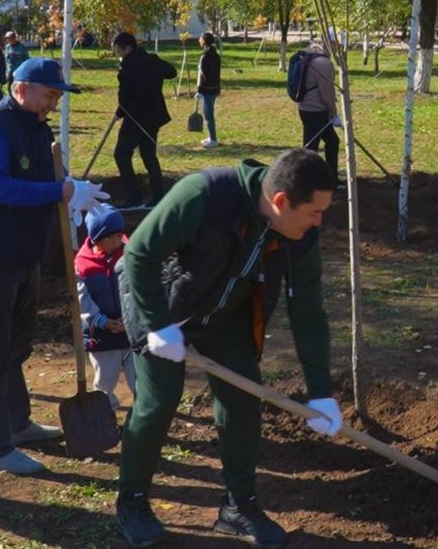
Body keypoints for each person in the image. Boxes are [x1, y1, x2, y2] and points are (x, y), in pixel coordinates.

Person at [113, 147, 341, 547]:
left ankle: (239, 506)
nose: (319, 221)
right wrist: (158, 325)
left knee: (242, 398)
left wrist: (321, 393)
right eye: (314, 212)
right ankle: (131, 499)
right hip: (159, 299)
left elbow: (307, 311)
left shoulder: (301, 236)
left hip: (226, 312)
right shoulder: (205, 195)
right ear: (281, 202)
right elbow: (139, 255)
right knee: (160, 397)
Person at [0, 57, 108, 475]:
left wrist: (75, 198)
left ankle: (17, 423)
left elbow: (49, 185)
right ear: (23, 88)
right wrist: (60, 190)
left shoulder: (37, 127)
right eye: (49, 95)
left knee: (17, 346)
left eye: (57, 96)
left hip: (27, 253)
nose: (53, 103)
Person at [74, 203, 135, 411]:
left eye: (119, 236)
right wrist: (99, 320)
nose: (116, 242)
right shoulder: (83, 264)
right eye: (110, 238)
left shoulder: (130, 256)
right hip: (101, 334)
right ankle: (104, 411)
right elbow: (81, 297)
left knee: (140, 379)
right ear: (95, 238)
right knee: (104, 380)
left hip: (131, 332)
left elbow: (139, 289)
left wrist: (130, 319)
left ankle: (145, 416)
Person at [112, 32, 176, 207]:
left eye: (119, 51)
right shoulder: (152, 60)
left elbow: (124, 99)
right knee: (149, 155)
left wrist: (119, 113)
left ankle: (134, 197)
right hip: (154, 116)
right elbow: (171, 72)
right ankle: (158, 195)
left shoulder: (126, 70)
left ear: (127, 47)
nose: (119, 55)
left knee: (121, 154)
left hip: (135, 119)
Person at [295, 41, 340, 182]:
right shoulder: (323, 63)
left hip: (305, 108)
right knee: (311, 147)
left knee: (329, 141)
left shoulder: (309, 56)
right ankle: (306, 181)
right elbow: (327, 93)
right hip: (316, 110)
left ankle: (328, 179)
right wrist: (333, 114)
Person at [196, 31, 221, 148]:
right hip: (215, 88)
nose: (199, 41)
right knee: (209, 114)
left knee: (208, 115)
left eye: (200, 39)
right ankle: (211, 136)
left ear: (204, 41)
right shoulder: (216, 55)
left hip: (207, 90)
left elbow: (202, 74)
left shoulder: (204, 56)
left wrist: (199, 89)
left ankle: (213, 139)